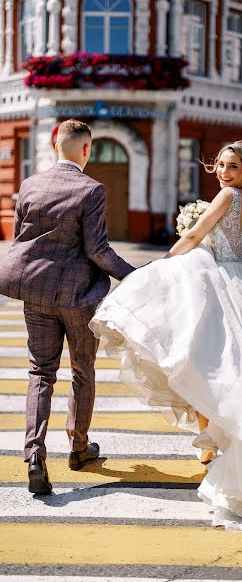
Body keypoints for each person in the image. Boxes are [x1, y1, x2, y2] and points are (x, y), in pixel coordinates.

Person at [90, 140, 242, 538]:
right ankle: (220, 444)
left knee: (203, 363)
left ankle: (216, 443)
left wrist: (160, 266)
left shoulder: (227, 195)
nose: (223, 172)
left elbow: (197, 235)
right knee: (226, 370)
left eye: (233, 166)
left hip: (222, 281)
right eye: (220, 165)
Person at [0, 119, 135, 494]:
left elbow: (20, 240)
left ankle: (34, 455)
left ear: (54, 144)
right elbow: (97, 250)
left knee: (40, 373)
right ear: (87, 149)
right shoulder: (91, 190)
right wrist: (134, 275)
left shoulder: (29, 184)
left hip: (37, 294)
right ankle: (78, 448)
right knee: (82, 370)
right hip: (78, 298)